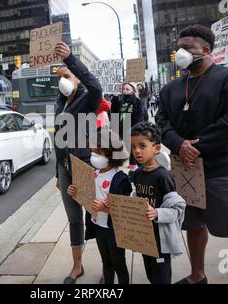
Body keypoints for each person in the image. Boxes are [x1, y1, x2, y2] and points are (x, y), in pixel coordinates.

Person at [156, 25, 228, 284]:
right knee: (193, 224)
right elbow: (162, 122)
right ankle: (197, 274)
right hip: (185, 169)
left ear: (206, 50)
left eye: (187, 48)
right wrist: (178, 145)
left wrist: (194, 147)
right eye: (178, 48)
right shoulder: (170, 89)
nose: (180, 52)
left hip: (223, 168)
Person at [53, 41, 103, 284]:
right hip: (65, 169)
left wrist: (71, 59)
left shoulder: (88, 98)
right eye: (60, 77)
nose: (63, 80)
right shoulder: (59, 104)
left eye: (67, 76)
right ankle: (77, 267)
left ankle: (110, 266)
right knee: (74, 219)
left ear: (78, 78)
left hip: (85, 166)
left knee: (97, 215)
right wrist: (56, 173)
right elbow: (58, 140)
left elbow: (96, 86)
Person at [67, 130, 132, 284]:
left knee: (119, 263)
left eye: (98, 152)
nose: (93, 156)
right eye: (92, 152)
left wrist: (105, 208)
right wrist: (74, 191)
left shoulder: (120, 179)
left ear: (110, 154)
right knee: (106, 262)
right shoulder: (92, 173)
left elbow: (125, 209)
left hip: (114, 230)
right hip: (98, 226)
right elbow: (85, 193)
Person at [131, 121, 186, 284]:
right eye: (133, 147)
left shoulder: (163, 176)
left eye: (142, 145)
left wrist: (157, 213)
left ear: (156, 148)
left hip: (160, 238)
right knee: (150, 273)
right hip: (145, 234)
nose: (137, 151)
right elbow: (139, 196)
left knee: (161, 276)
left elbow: (177, 209)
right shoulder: (138, 173)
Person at [111, 82, 143, 171]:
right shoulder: (121, 99)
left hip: (131, 127)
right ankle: (116, 163)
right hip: (121, 127)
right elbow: (114, 112)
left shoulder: (136, 100)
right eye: (124, 89)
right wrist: (115, 98)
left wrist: (134, 129)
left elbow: (139, 115)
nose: (124, 91)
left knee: (132, 146)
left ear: (133, 91)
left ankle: (133, 164)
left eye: (127, 89)